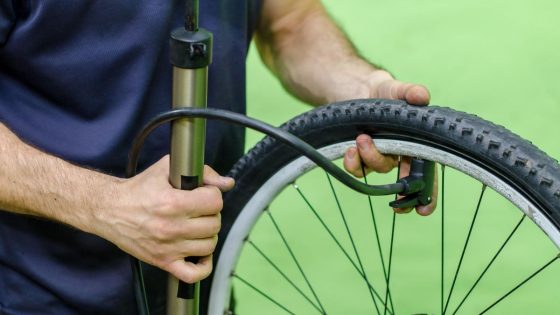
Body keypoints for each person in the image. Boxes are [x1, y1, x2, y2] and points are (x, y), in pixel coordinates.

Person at [0, 0, 434, 314]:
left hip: (202, 285)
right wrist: (106, 205)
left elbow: (290, 21)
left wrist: (363, 91)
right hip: (36, 292)